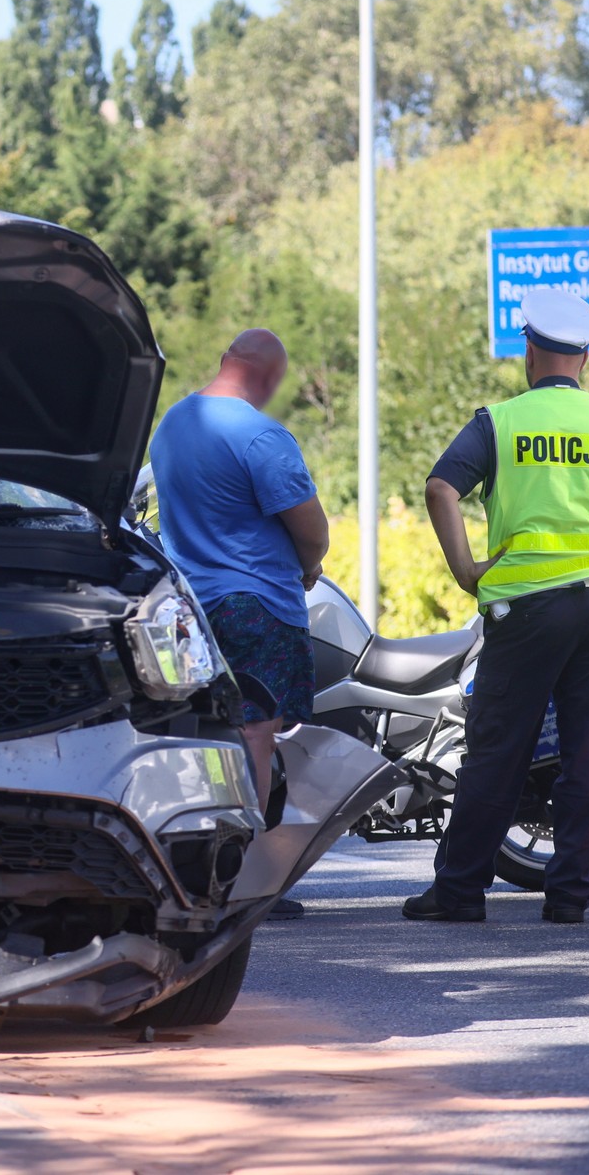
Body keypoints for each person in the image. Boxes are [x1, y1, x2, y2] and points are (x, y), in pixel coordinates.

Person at [404, 289, 589, 924]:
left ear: (529, 351)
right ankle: (570, 895)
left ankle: (459, 893)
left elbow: (440, 489)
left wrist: (466, 570)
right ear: (585, 358)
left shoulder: (499, 422)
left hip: (524, 611)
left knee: (498, 751)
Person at [148, 329, 328, 916]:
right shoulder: (261, 436)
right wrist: (310, 566)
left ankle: (187, 869)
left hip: (188, 609)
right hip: (256, 604)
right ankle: (243, 882)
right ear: (270, 377)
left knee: (201, 736)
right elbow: (311, 530)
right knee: (256, 734)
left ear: (226, 359)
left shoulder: (172, 424)